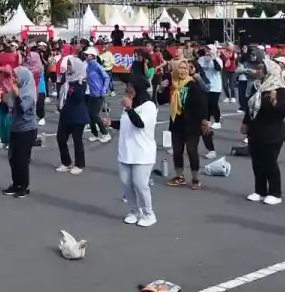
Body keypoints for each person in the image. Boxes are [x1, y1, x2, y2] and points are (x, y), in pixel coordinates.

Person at [242, 59, 285, 204]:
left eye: (262, 69)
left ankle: (275, 192)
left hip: (272, 133)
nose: (258, 71)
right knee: (257, 162)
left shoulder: (279, 89)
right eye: (258, 69)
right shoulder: (259, 88)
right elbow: (251, 107)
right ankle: (260, 190)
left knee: (269, 162)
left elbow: (284, 112)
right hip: (256, 131)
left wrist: (275, 102)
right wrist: (245, 122)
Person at [118, 70, 158, 227]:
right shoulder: (129, 104)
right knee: (126, 184)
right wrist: (111, 124)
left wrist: (128, 109)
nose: (128, 90)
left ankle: (149, 213)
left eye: (131, 87)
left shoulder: (149, 106)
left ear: (139, 88)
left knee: (140, 184)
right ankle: (135, 211)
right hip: (126, 152)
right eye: (127, 86)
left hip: (143, 153)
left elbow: (139, 124)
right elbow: (126, 123)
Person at [164, 59, 210, 190]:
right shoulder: (172, 84)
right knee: (177, 151)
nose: (183, 70)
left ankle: (195, 178)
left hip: (192, 124)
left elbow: (202, 104)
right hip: (176, 122)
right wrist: (161, 88)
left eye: (185, 68)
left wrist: (204, 120)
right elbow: (161, 100)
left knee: (191, 150)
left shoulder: (192, 84)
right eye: (181, 68)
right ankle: (180, 177)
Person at [4, 65, 37, 198]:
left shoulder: (29, 92)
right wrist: (7, 93)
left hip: (27, 129)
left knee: (22, 159)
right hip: (15, 127)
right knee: (12, 158)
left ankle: (24, 186)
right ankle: (16, 183)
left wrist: (17, 96)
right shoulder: (17, 89)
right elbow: (9, 104)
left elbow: (24, 108)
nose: (14, 79)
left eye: (16, 77)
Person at [56, 53, 90, 174]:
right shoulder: (66, 79)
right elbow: (61, 94)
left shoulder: (81, 81)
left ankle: (79, 164)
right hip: (65, 114)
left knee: (77, 140)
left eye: (70, 65)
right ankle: (66, 162)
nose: (68, 67)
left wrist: (68, 89)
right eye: (68, 65)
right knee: (60, 137)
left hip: (77, 115)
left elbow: (77, 97)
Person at [85, 47, 112, 143]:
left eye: (87, 55)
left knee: (94, 115)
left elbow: (107, 77)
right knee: (90, 114)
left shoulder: (97, 65)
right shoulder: (88, 66)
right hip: (91, 94)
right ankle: (95, 134)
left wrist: (104, 89)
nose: (85, 56)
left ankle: (106, 134)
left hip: (99, 94)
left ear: (92, 56)